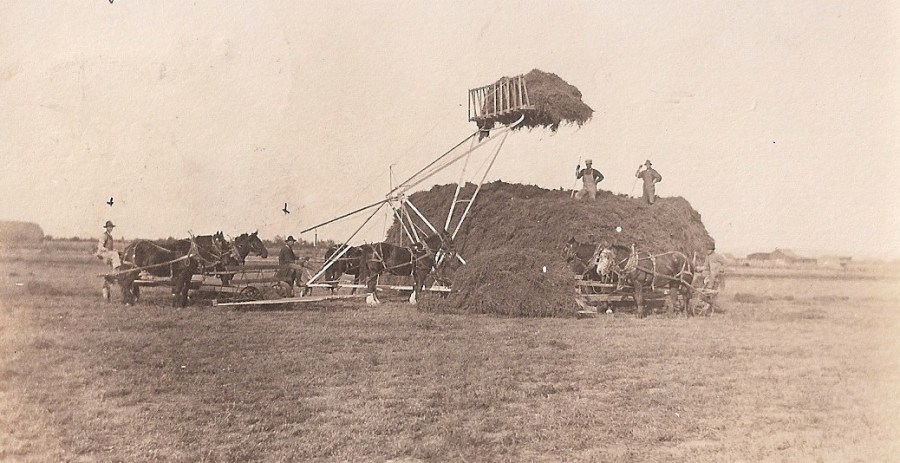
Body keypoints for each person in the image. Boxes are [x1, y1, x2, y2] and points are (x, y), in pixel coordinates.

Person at [95, 220, 121, 300]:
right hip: (102, 254)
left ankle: (116, 270)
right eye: (109, 227)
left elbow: (111, 248)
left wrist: (114, 250)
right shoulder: (104, 236)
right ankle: (116, 271)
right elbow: (100, 247)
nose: (110, 228)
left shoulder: (110, 236)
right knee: (115, 255)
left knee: (118, 254)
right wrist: (107, 250)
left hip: (108, 253)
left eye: (111, 227)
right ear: (106, 228)